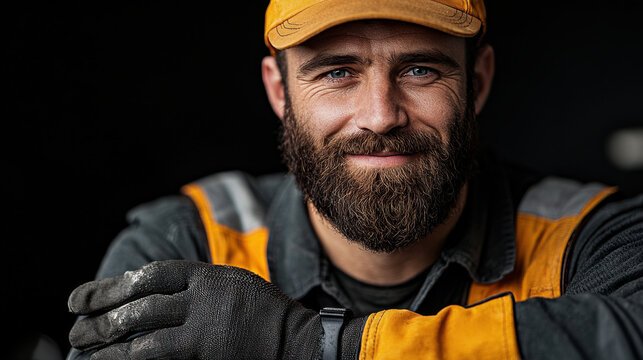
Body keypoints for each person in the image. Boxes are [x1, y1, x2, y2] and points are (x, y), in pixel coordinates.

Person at [66, 0, 643, 359]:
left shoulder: (593, 239)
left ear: (478, 82)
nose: (380, 114)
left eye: (420, 68)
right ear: (279, 91)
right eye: (337, 72)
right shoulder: (185, 247)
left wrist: (311, 347)